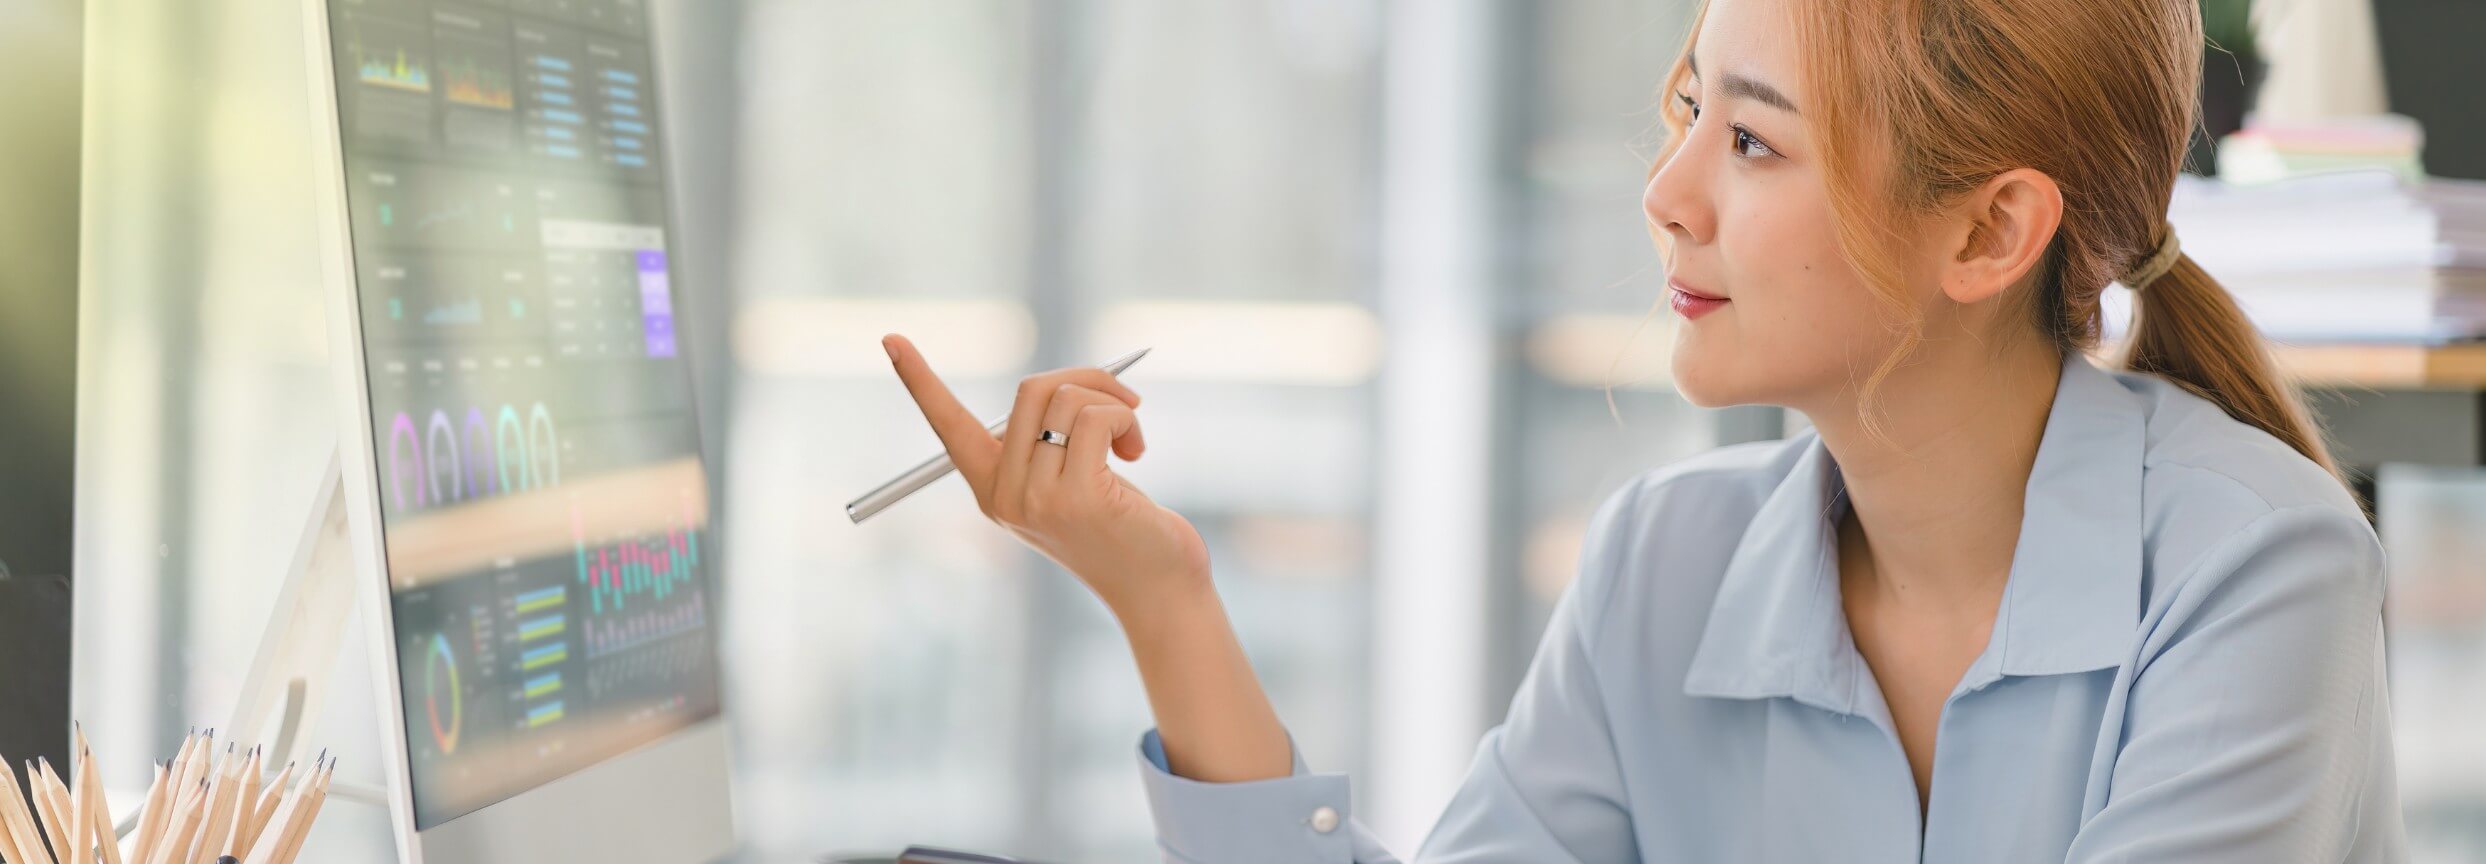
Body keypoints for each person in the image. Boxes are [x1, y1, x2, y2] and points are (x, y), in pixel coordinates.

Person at [880, 0, 2406, 858]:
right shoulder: (1662, 567)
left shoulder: (2254, 571)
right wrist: (1165, 595)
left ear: (1991, 229)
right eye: (1687, 112)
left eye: (1749, 141)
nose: (1666, 195)